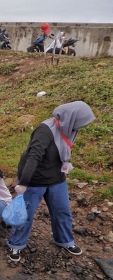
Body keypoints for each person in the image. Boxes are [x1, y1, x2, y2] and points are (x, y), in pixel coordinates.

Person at [7, 101, 95, 262]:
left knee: (62, 211)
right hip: (34, 179)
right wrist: (23, 183)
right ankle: (16, 244)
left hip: (56, 177)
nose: (80, 127)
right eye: (80, 123)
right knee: (24, 214)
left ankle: (64, 241)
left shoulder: (69, 128)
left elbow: (62, 151)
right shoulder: (45, 131)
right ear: (72, 118)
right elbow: (33, 157)